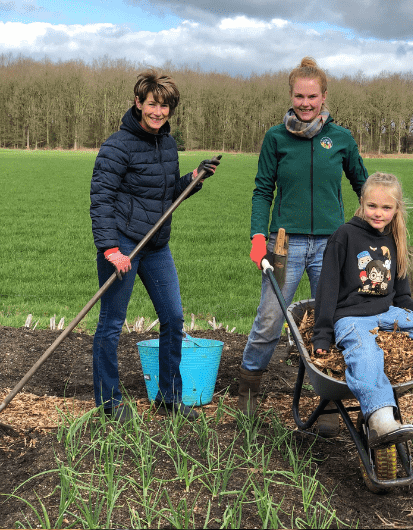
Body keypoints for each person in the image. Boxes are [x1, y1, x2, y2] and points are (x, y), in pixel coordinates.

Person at [236, 56, 368, 419]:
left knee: (330, 319)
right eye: (299, 96)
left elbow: (364, 186)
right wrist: (257, 238)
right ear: (291, 96)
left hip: (331, 246)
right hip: (284, 245)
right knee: (270, 318)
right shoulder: (275, 138)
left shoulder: (340, 139)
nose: (305, 103)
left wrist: (376, 228)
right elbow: (263, 190)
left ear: (324, 97)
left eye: (312, 97)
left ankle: (328, 400)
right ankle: (249, 387)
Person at [90, 69, 221, 423]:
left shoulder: (167, 144)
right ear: (138, 103)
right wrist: (110, 249)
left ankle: (168, 397)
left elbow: (165, 196)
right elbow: (101, 199)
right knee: (112, 323)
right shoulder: (117, 145)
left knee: (173, 316)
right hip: (124, 244)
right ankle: (109, 402)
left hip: (156, 245)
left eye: (164, 107)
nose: (158, 113)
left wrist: (193, 179)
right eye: (152, 105)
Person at [311, 172, 413, 452]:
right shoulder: (345, 236)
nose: (378, 213)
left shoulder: (393, 239)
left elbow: (400, 293)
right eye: (372, 205)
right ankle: (382, 419)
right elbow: (326, 288)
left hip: (387, 313)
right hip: (351, 317)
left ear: (397, 208)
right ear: (361, 203)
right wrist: (322, 334)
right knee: (365, 353)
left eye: (386, 207)